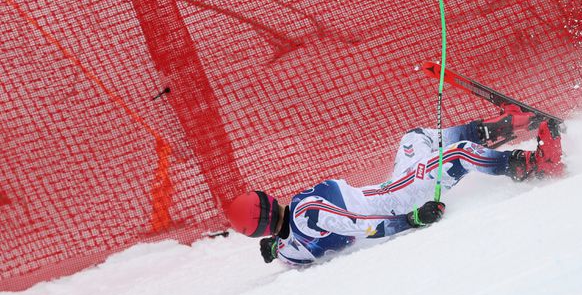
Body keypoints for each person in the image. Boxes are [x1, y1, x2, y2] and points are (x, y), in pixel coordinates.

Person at [223, 105, 564, 266]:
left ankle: (495, 128)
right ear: (267, 201)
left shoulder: (289, 251)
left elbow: (287, 247)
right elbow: (363, 226)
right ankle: (532, 165)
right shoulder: (306, 211)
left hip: (391, 187)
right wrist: (412, 218)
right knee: (458, 154)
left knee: (413, 139)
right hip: (399, 199)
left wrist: (273, 247)